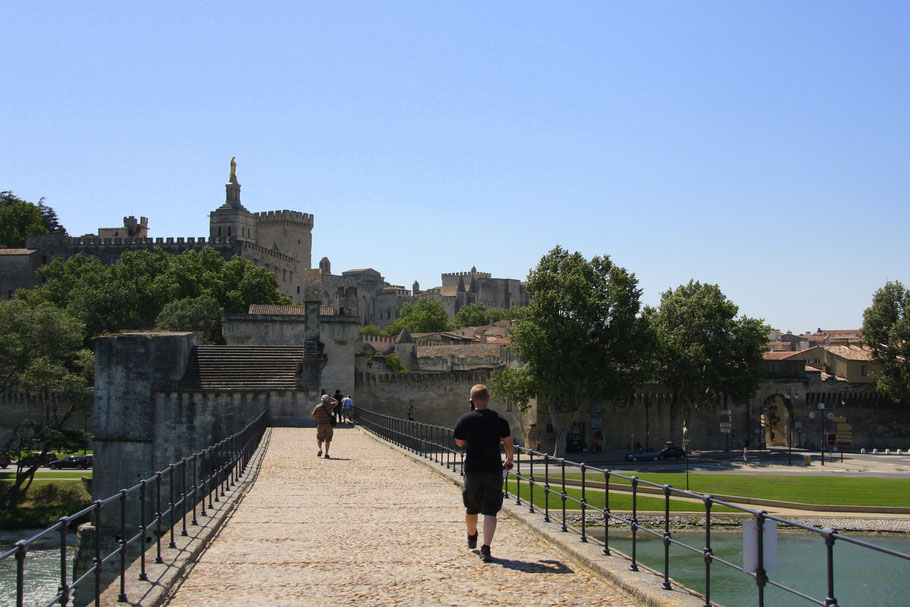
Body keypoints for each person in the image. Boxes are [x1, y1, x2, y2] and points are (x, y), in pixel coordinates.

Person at [453, 384, 514, 563]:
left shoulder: (465, 419)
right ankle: (486, 548)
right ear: (488, 398)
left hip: (473, 470)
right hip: (493, 469)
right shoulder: (499, 419)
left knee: (471, 508)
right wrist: (509, 459)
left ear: (471, 401)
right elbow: (508, 443)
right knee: (490, 510)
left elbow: (459, 443)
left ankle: (472, 535)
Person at [312, 394, 337, 458]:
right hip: (328, 424)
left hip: (320, 424)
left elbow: (313, 416)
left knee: (319, 438)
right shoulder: (330, 406)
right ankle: (326, 453)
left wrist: (319, 417)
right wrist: (330, 397)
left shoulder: (317, 407)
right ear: (328, 400)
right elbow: (337, 402)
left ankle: (320, 449)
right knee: (328, 440)